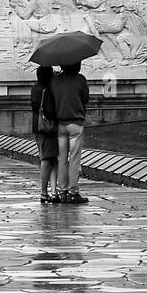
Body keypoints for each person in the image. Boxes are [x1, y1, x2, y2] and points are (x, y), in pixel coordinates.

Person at [50, 62, 90, 203]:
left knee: (62, 158)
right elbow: (85, 98)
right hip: (76, 123)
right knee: (74, 158)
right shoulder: (80, 79)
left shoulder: (55, 80)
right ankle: (73, 191)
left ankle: (63, 191)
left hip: (60, 123)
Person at [30, 65, 61, 203]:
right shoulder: (46, 90)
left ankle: (53, 192)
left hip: (38, 125)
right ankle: (44, 192)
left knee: (53, 158)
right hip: (47, 127)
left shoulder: (35, 88)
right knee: (47, 159)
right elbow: (50, 110)